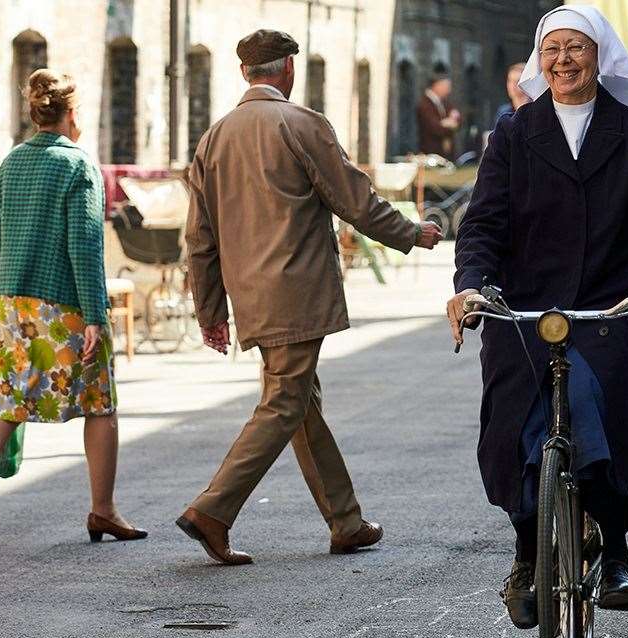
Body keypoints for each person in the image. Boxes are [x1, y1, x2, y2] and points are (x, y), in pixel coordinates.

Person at [446, 5, 628, 628]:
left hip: (610, 304)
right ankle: (527, 550)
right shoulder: (513, 134)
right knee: (513, 415)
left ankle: (615, 551)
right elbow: (483, 226)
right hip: (528, 307)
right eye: (552, 50)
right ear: (538, 58)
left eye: (576, 49)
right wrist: (472, 288)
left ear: (599, 56)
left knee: (594, 396)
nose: (563, 61)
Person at [176, 30, 442, 565]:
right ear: (289, 69)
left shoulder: (214, 138)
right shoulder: (300, 123)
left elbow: (198, 238)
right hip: (295, 292)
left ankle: (345, 522)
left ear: (247, 73)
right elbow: (355, 201)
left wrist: (210, 311)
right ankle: (213, 509)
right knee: (284, 404)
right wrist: (413, 233)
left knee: (300, 403)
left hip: (250, 297)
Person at [0, 69, 144, 542]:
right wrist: (97, 314)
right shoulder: (77, 166)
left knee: (3, 408)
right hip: (63, 310)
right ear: (72, 114)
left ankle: (105, 511)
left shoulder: (11, 164)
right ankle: (104, 510)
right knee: (100, 407)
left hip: (9, 306)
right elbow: (86, 244)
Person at [417, 74, 460, 158]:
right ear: (437, 86)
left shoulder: (444, 102)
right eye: (446, 87)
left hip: (446, 152)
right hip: (431, 152)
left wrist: (447, 123)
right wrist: (449, 125)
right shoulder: (424, 104)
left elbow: (458, 119)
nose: (448, 91)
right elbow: (435, 127)